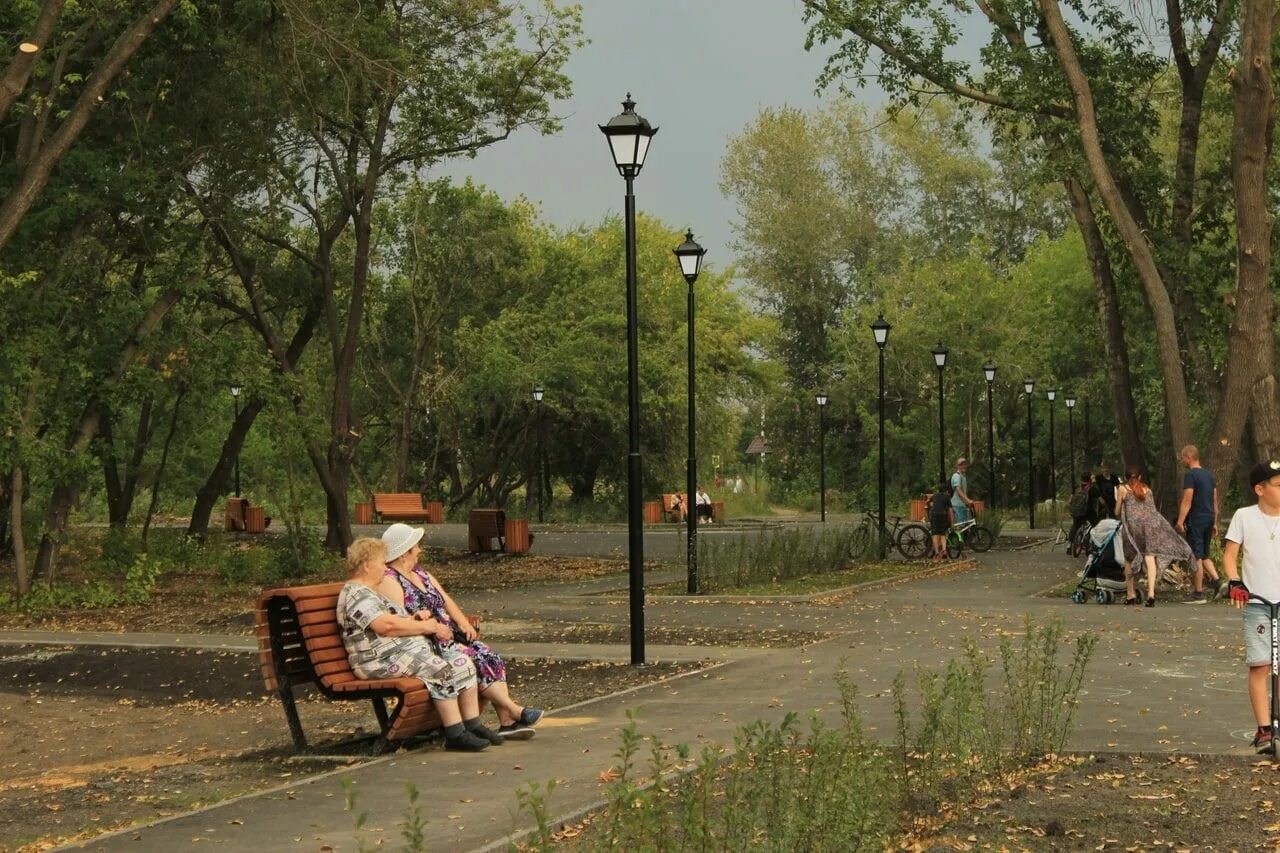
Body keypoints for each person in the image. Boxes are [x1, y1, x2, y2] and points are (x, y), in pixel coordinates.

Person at [376, 523, 543, 740]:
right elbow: (401, 620)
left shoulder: (419, 572)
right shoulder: (390, 580)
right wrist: (431, 627)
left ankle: (507, 720)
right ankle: (513, 712)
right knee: (473, 658)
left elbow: (445, 599)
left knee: (489, 655)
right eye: (415, 547)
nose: (419, 550)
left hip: (449, 634)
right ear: (404, 553)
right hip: (428, 641)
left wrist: (462, 622)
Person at [336, 537, 500, 752]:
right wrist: (426, 627)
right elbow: (384, 625)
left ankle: (472, 724)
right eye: (382, 563)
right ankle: (455, 733)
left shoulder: (370, 592)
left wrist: (414, 619)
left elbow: (393, 620)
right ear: (367, 565)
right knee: (440, 668)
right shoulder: (357, 594)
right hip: (376, 661)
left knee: (462, 662)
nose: (385, 568)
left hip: (396, 654)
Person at [1222, 460, 1280, 752]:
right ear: (1260, 489)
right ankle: (1264, 729)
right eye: (1278, 485)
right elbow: (1230, 554)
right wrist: (1235, 580)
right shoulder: (1244, 517)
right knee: (1261, 666)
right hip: (1258, 603)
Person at [1118, 465, 1193, 607]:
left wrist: (1121, 506)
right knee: (1150, 557)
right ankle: (1151, 593)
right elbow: (1153, 511)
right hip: (1149, 528)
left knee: (1129, 559)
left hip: (1132, 529)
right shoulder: (1148, 490)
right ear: (1140, 477)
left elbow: (1117, 511)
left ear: (1126, 477)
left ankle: (1130, 594)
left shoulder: (1123, 489)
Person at [1175, 444, 1222, 604]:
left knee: (1196, 556)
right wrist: (1214, 521)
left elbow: (1187, 499)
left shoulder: (1191, 475)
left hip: (1197, 518)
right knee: (1204, 554)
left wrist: (1180, 521)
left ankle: (1198, 592)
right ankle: (1218, 583)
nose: (1182, 460)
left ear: (1188, 457)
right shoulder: (1209, 475)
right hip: (1209, 517)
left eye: (1183, 457)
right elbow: (1214, 500)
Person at [1067, 473, 1094, 547]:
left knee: (1075, 525)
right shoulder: (1091, 488)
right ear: (1089, 479)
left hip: (1075, 511)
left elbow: (1069, 501)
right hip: (1086, 512)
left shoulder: (1076, 488)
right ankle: (1087, 539)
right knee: (1094, 523)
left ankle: (1069, 543)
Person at [928, 481, 954, 561]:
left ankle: (936, 553)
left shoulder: (935, 495)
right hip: (943, 515)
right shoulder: (947, 498)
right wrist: (952, 522)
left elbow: (928, 502)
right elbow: (950, 510)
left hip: (935, 515)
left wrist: (931, 504)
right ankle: (944, 550)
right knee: (943, 533)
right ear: (946, 491)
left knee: (935, 534)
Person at [950, 458, 976, 523]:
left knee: (964, 527)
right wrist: (968, 500)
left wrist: (967, 502)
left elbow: (963, 492)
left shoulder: (963, 476)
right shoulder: (956, 476)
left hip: (962, 505)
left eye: (964, 464)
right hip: (957, 505)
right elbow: (958, 490)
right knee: (961, 527)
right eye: (961, 464)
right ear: (957, 466)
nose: (963, 466)